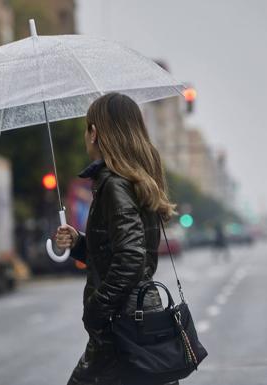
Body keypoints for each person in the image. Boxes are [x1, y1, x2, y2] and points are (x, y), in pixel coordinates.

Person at [56, 93, 178, 385]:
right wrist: (78, 243)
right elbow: (119, 252)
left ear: (95, 133)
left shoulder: (114, 184)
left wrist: (97, 309)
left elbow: (132, 257)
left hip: (120, 324)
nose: (86, 137)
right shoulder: (134, 180)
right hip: (136, 315)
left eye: (87, 129)